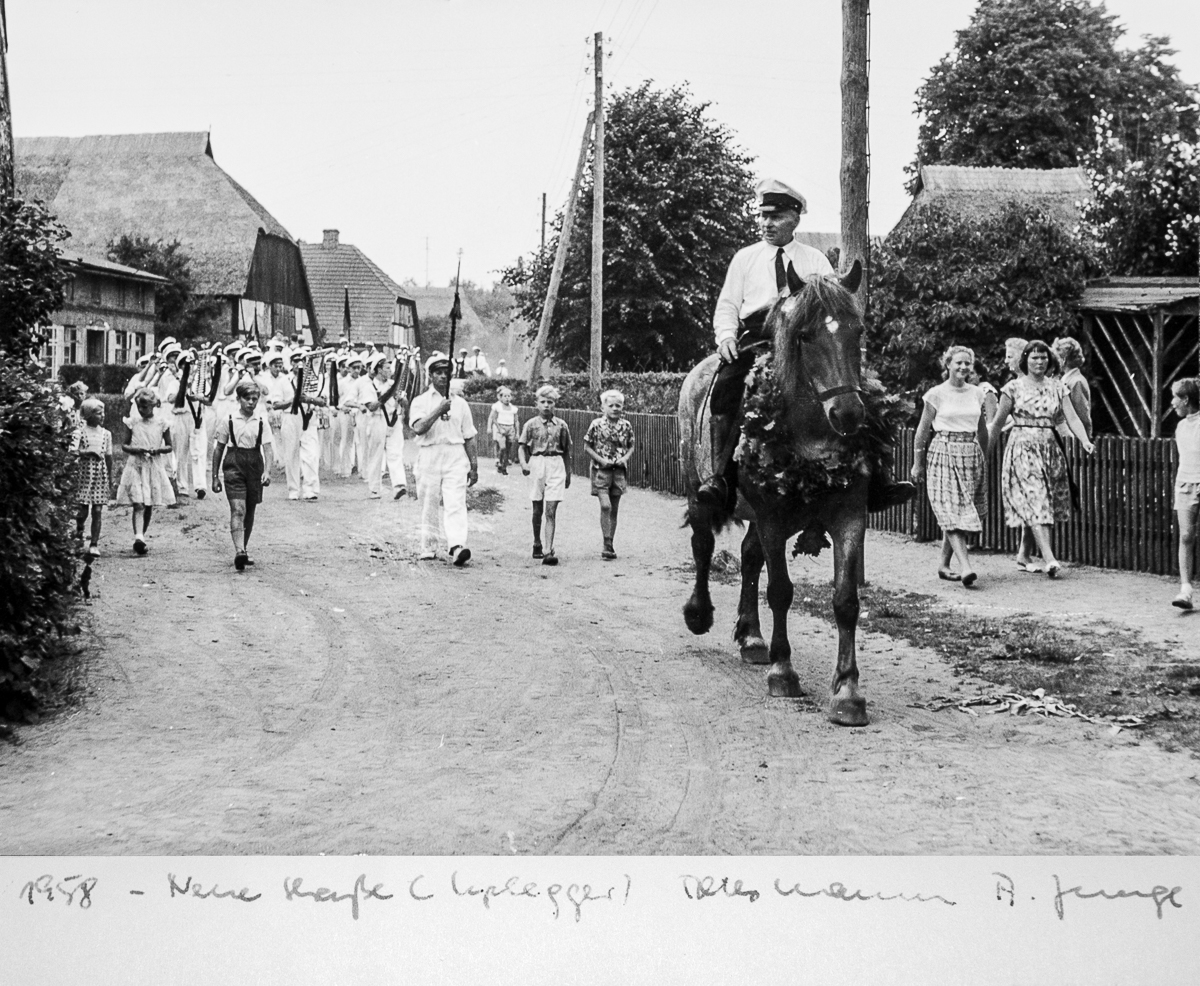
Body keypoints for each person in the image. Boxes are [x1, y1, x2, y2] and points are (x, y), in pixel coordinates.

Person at [701, 177, 913, 512]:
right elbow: (728, 304)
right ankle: (720, 478)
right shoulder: (745, 258)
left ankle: (878, 483)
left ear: (794, 220)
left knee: (861, 392)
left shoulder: (814, 259)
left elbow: (833, 306)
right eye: (763, 216)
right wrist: (726, 336)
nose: (767, 223)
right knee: (726, 390)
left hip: (806, 339)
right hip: (757, 338)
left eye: (776, 217)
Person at [988, 340, 1094, 579]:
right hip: (1022, 447)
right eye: (1034, 357)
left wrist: (1085, 440)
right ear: (1025, 360)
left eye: (1043, 358)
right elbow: (996, 425)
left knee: (1043, 501)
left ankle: (1023, 556)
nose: (1039, 362)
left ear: (1050, 361)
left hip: (1050, 448)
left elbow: (1072, 418)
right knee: (1037, 499)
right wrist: (987, 452)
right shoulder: (1013, 388)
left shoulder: (1058, 387)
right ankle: (1049, 558)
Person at [911, 346, 989, 586]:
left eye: (967, 363)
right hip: (943, 453)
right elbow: (922, 432)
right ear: (948, 365)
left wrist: (982, 457)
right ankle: (965, 567)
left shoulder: (977, 393)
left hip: (970, 454)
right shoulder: (935, 394)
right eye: (958, 363)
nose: (963, 367)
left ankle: (944, 565)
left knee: (961, 511)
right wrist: (917, 464)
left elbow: (982, 429)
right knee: (952, 511)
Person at [408, 353, 479, 565]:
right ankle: (429, 546)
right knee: (429, 500)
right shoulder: (420, 402)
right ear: (430, 376)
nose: (443, 377)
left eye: (446, 373)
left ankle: (457, 545)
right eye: (438, 373)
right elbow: (419, 428)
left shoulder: (461, 404)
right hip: (430, 454)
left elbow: (469, 436)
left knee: (455, 501)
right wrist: (439, 409)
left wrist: (473, 466)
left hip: (455, 455)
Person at [211, 379, 274, 571]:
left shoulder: (261, 421)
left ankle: (243, 547)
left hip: (254, 465)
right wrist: (214, 476)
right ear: (239, 399)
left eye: (255, 399)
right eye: (247, 398)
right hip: (234, 465)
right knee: (238, 508)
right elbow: (219, 448)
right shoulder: (228, 420)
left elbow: (268, 449)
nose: (251, 402)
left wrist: (267, 471)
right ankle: (239, 550)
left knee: (250, 509)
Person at [115, 387, 175, 555]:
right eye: (139, 407)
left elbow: (169, 446)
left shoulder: (162, 423)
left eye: (145, 407)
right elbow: (124, 445)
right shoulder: (133, 422)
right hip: (136, 464)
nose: (142, 410)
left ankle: (142, 536)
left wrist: (157, 449)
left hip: (152, 466)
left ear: (154, 406)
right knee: (138, 503)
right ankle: (138, 537)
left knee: (148, 503)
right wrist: (137, 448)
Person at [519, 384, 571, 565]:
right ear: (537, 404)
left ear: (555, 404)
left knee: (551, 510)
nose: (546, 405)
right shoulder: (531, 424)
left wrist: (568, 473)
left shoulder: (562, 425)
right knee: (537, 509)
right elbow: (522, 446)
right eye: (543, 402)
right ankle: (537, 542)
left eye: (550, 402)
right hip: (537, 463)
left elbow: (566, 451)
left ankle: (549, 549)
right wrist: (524, 463)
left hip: (556, 464)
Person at [584, 389, 635, 560]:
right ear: (603, 407)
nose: (615, 408)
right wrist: (600, 460)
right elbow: (587, 446)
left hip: (619, 472)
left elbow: (631, 446)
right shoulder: (596, 424)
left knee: (614, 509)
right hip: (601, 471)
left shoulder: (626, 426)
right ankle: (606, 540)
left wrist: (625, 459)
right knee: (605, 505)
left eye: (618, 406)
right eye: (611, 405)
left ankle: (609, 544)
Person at [1170, 378, 1200, 609]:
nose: (1172, 403)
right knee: (1186, 536)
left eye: (1175, 398)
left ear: (1186, 400)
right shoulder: (1180, 427)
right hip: (1184, 484)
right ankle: (1185, 590)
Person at [73, 398, 113, 558]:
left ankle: (94, 544)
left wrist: (110, 476)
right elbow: (72, 451)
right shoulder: (79, 432)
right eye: (98, 413)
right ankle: (78, 536)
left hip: (99, 476)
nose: (102, 416)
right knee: (82, 510)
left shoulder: (106, 434)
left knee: (97, 509)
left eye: (103, 412)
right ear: (88, 415)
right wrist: (88, 452)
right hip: (84, 475)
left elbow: (108, 457)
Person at [156, 343, 193, 504]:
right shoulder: (170, 380)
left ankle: (183, 486)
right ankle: (170, 483)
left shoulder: (192, 380)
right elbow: (169, 398)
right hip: (171, 415)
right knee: (169, 451)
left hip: (186, 417)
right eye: (183, 365)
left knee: (183, 453)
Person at [1052, 336, 1093, 441]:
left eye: (1057, 358)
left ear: (1063, 360)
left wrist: (1084, 439)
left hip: (1074, 441)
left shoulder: (1076, 381)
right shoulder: (1065, 380)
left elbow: (1082, 415)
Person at [486, 386, 519, 474]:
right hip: (501, 429)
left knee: (508, 449)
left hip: (510, 429)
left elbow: (516, 421)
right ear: (500, 397)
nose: (507, 398)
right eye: (505, 396)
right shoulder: (497, 407)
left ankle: (504, 466)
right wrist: (498, 428)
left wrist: (517, 433)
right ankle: (499, 461)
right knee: (502, 447)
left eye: (509, 396)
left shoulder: (514, 409)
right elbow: (493, 418)